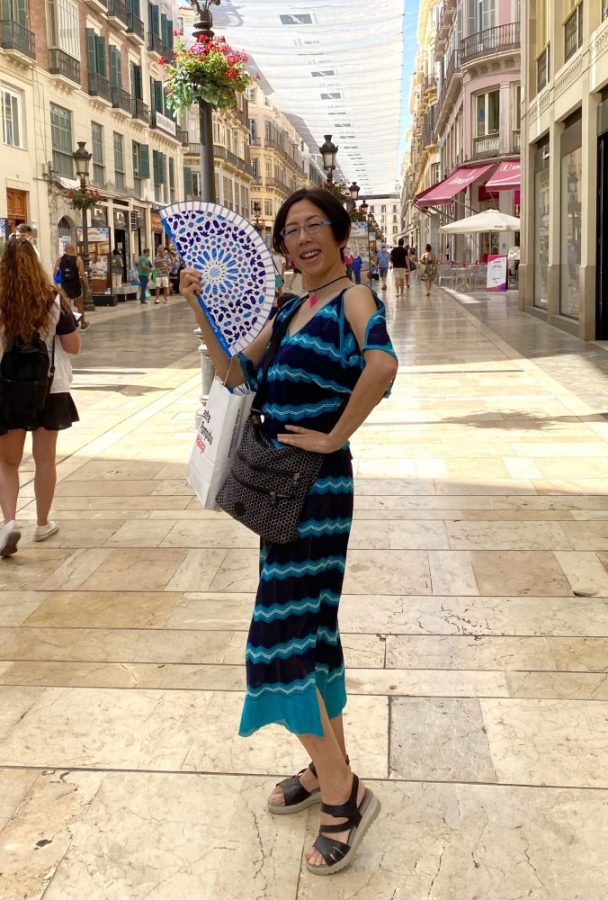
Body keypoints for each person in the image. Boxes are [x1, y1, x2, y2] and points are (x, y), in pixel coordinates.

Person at [180, 187, 398, 875]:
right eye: (290, 230)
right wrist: (198, 305)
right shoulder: (286, 308)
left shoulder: (352, 299)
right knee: (312, 632)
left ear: (340, 235)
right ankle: (328, 764)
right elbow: (233, 372)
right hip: (279, 489)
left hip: (318, 489)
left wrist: (335, 434)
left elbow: (383, 364)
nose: (302, 239)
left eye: (314, 226)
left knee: (277, 642)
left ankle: (343, 794)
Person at [0, 238, 80, 557]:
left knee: (7, 461)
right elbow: (73, 347)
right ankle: (43, 523)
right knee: (44, 457)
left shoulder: (1, 299)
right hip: (51, 386)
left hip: (8, 387)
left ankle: (9, 523)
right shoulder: (53, 298)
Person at [53, 243, 90, 329]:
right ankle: (83, 323)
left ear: (65, 250)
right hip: (75, 285)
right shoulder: (78, 259)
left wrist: (57, 286)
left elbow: (55, 274)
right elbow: (82, 275)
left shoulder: (59, 260)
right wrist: (87, 287)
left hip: (64, 286)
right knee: (79, 305)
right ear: (73, 249)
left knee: (67, 307)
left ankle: (69, 326)